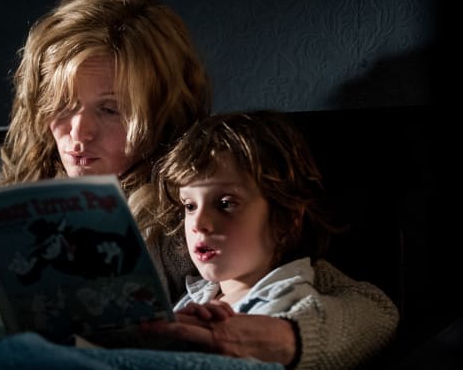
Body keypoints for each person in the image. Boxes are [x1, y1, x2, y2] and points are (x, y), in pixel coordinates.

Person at [0, 0, 399, 369]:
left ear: (160, 112)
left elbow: (372, 309)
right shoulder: (4, 193)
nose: (78, 133)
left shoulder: (182, 210)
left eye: (110, 109)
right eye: (62, 103)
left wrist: (290, 339)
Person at [144, 111, 399, 368]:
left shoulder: (291, 302)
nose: (199, 224)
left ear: (285, 221)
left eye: (225, 204)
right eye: (189, 206)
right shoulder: (196, 296)